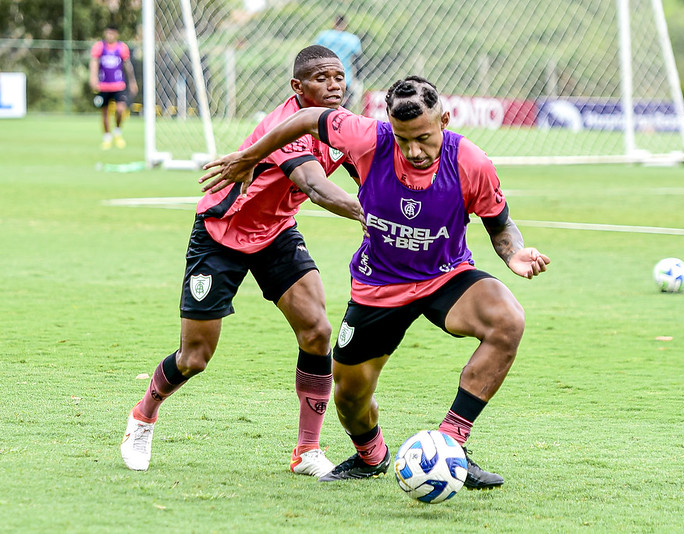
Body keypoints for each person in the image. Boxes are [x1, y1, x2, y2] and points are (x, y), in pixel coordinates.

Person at [199, 76, 550, 489]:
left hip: (445, 275)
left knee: (507, 319)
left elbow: (500, 224)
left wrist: (513, 255)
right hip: (378, 285)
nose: (414, 151)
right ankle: (371, 457)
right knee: (348, 396)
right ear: (388, 125)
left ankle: (452, 442)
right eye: (404, 140)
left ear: (445, 120)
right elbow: (308, 117)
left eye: (424, 138)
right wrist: (250, 155)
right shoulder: (368, 137)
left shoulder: (471, 162)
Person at [120, 45, 365, 478]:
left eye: (339, 78)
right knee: (195, 356)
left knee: (317, 330)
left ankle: (307, 450)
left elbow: (365, 171)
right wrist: (369, 215)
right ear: (297, 86)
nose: (334, 86)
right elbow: (316, 186)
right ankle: (143, 416)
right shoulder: (284, 126)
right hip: (222, 233)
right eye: (322, 78)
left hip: (276, 234)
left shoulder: (342, 125)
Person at [89, 25, 138, 150]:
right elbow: (94, 62)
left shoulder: (122, 48)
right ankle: (107, 137)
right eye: (108, 33)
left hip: (118, 85)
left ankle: (117, 131)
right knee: (104, 112)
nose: (110, 36)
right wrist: (93, 78)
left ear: (116, 34)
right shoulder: (99, 47)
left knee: (120, 109)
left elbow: (128, 66)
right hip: (103, 85)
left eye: (112, 33)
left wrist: (132, 82)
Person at [314, 15, 362, 111]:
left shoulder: (324, 36)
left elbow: (314, 55)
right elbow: (357, 62)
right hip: (344, 78)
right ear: (345, 25)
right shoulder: (352, 39)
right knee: (342, 107)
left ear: (334, 23)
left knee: (324, 106)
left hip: (324, 76)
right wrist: (357, 79)